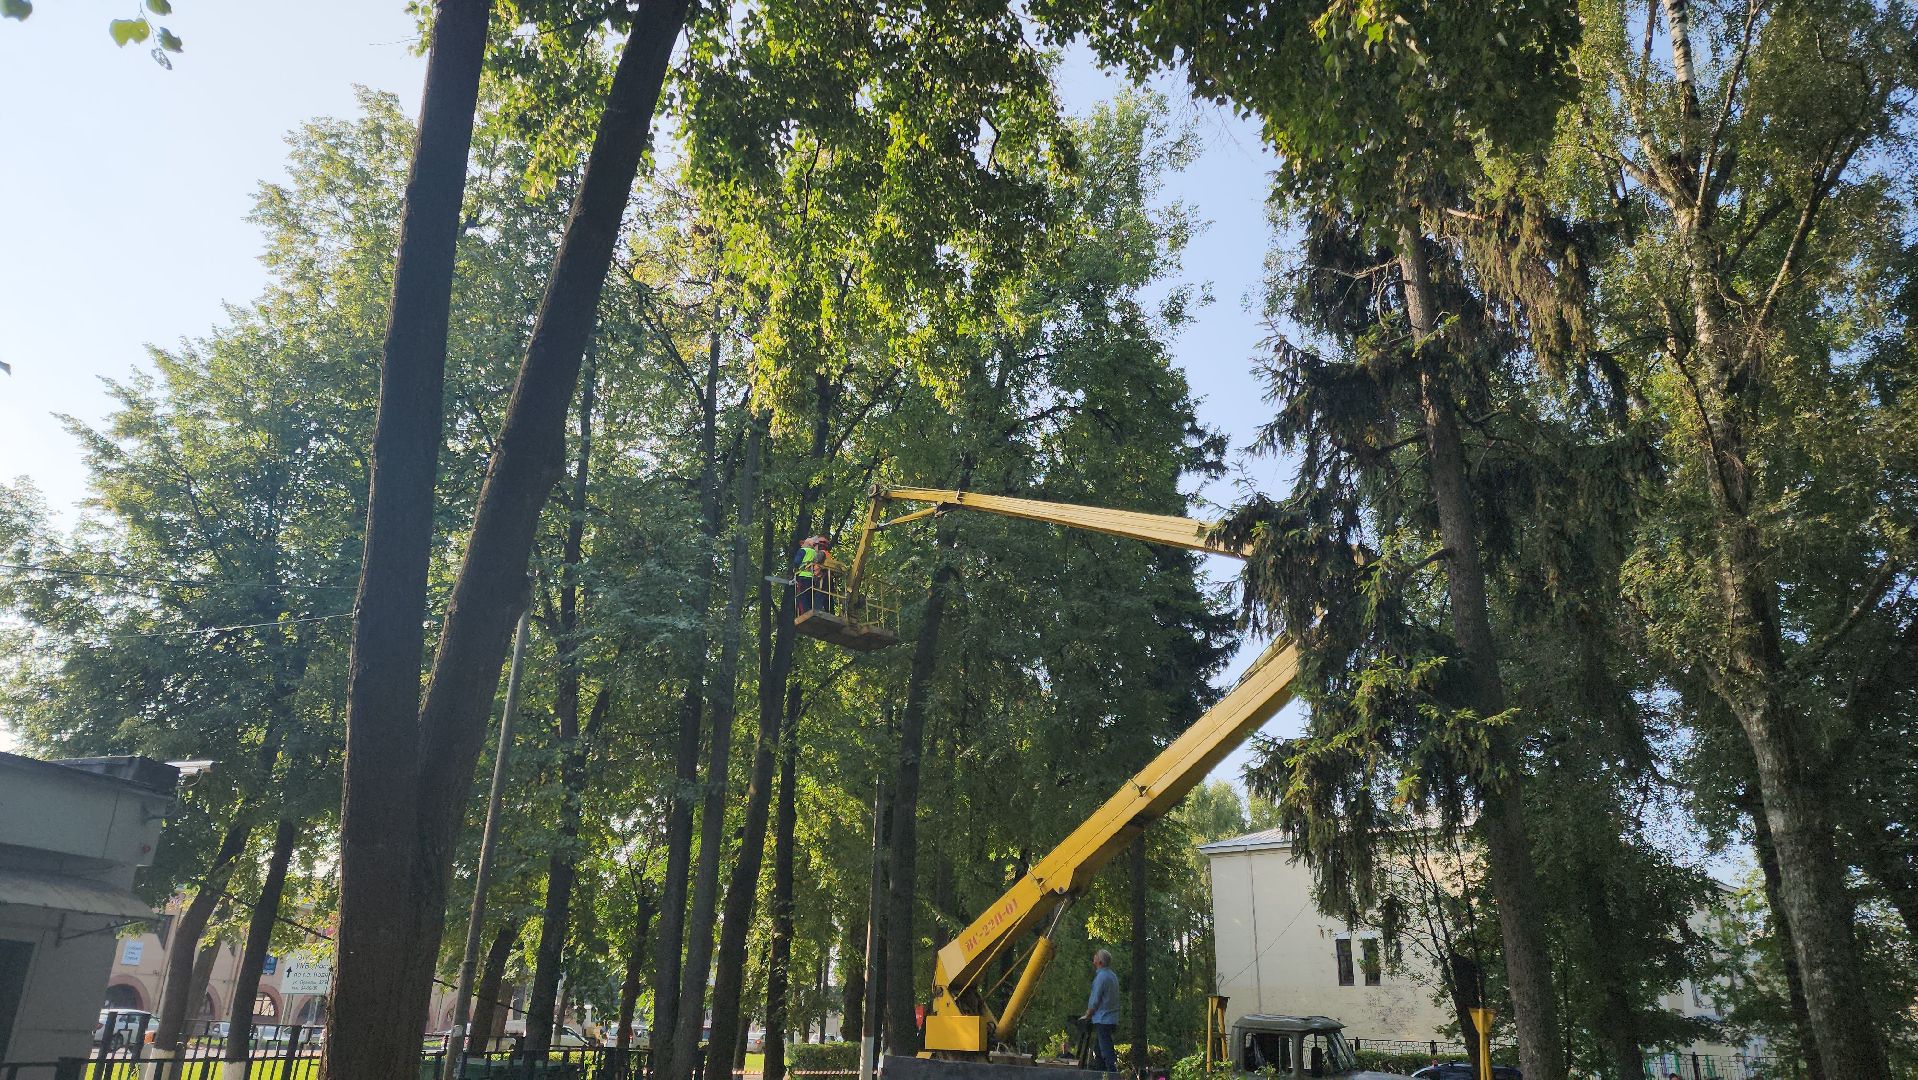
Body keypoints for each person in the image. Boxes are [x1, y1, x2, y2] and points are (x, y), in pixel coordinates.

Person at [1082, 948, 1120, 1072]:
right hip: (1112, 1018)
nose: (1094, 957)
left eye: (1096, 956)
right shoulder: (1112, 976)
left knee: (1105, 1050)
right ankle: (1101, 1073)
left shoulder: (1101, 977)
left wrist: (1088, 1014)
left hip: (1103, 1019)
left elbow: (1095, 999)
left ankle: (1112, 1074)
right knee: (1099, 1050)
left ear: (1100, 962)